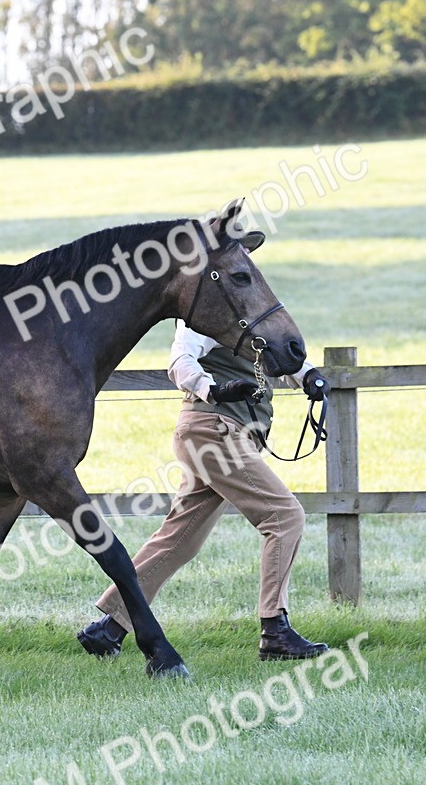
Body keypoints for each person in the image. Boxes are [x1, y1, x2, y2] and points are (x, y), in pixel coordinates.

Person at [78, 234, 332, 661]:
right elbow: (179, 363)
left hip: (217, 434)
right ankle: (275, 630)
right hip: (214, 430)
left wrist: (306, 375)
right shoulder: (204, 319)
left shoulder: (247, 320)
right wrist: (213, 388)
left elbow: (277, 356)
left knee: (180, 539)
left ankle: (110, 625)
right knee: (284, 516)